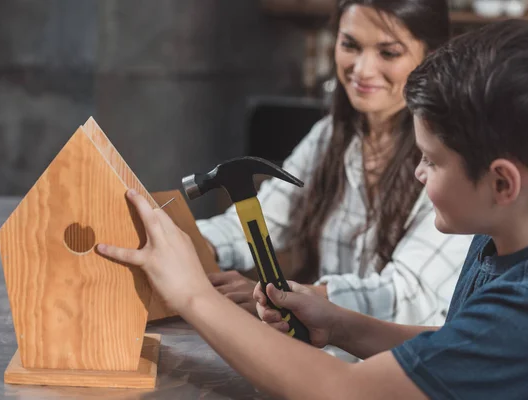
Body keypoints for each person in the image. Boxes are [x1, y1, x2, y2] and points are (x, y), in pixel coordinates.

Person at [98, 20, 528, 398]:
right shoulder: (505, 235)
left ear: (502, 182)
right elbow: (451, 352)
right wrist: (342, 325)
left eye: (431, 160)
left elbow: (342, 390)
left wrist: (190, 295)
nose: (418, 173)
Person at [197, 0, 473, 327]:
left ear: (431, 54)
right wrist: (185, 241)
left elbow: (405, 296)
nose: (362, 69)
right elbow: (264, 219)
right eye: (350, 45)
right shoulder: (330, 136)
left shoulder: (451, 156)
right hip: (328, 357)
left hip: (404, 370)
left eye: (389, 53)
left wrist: (294, 296)